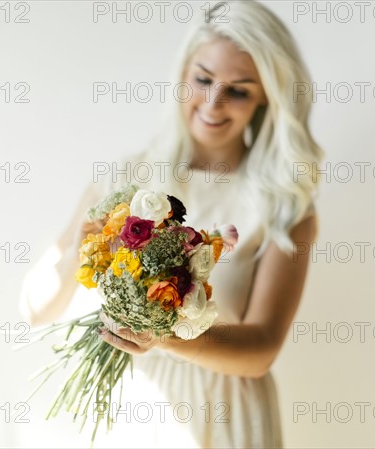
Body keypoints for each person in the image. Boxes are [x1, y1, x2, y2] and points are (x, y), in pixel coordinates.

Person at [19, 1, 324, 447]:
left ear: (264, 99)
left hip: (225, 415)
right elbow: (33, 308)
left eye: (238, 90)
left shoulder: (282, 205)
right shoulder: (125, 177)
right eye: (202, 79)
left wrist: (163, 337)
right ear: (183, 73)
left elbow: (262, 348)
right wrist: (75, 256)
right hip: (131, 407)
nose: (213, 102)